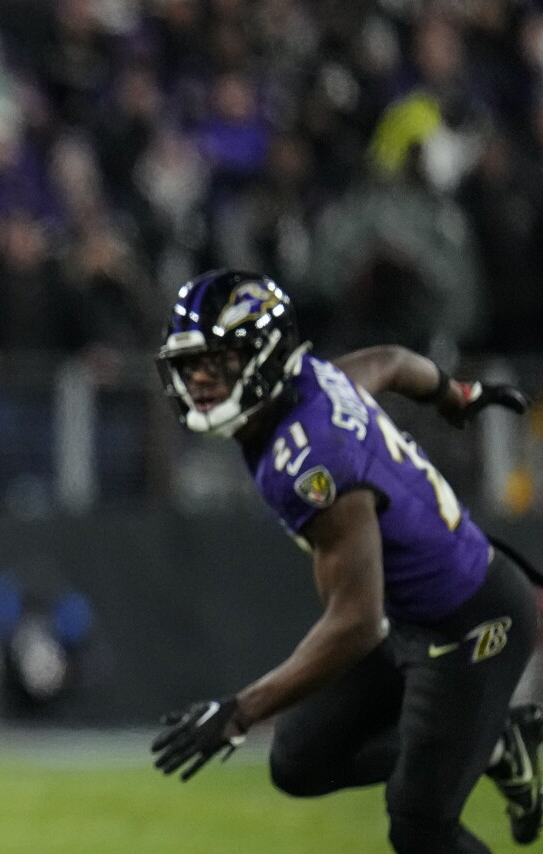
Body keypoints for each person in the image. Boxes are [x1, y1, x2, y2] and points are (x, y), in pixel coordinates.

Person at [149, 269, 538, 853]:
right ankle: (495, 745)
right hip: (412, 615)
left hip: (471, 623)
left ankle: (483, 743)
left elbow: (356, 621)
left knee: (420, 826)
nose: (199, 379)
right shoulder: (307, 379)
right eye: (191, 364)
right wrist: (455, 395)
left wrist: (238, 713)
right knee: (299, 760)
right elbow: (390, 361)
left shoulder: (311, 461)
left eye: (219, 361)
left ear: (263, 356)